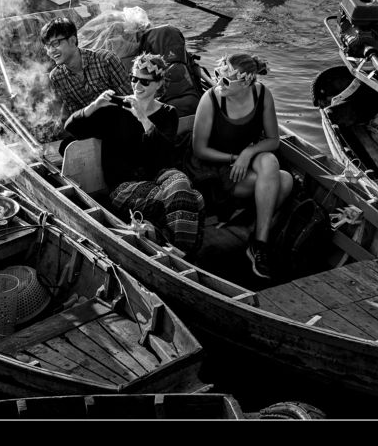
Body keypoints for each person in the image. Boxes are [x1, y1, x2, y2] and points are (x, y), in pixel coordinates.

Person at [64, 53, 204, 254]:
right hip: (122, 186)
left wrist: (143, 119)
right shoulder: (115, 108)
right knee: (194, 199)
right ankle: (183, 253)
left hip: (157, 177)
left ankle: (173, 247)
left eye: (145, 82)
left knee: (182, 185)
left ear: (158, 84)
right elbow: (73, 129)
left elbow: (163, 156)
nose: (137, 85)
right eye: (134, 78)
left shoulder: (168, 113)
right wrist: (94, 106)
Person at [187, 53, 293, 279]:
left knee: (276, 167)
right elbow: (199, 149)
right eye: (217, 75)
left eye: (226, 80)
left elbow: (273, 140)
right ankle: (255, 235)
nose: (218, 83)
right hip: (215, 167)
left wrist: (248, 152)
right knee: (281, 180)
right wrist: (235, 158)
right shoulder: (211, 99)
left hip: (245, 163)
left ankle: (258, 241)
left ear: (246, 82)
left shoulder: (263, 94)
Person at [41, 16, 131, 118]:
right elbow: (76, 113)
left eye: (55, 43)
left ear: (72, 40)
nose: (51, 51)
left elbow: (130, 99)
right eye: (47, 46)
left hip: (124, 119)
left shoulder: (106, 59)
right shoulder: (57, 77)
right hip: (93, 127)